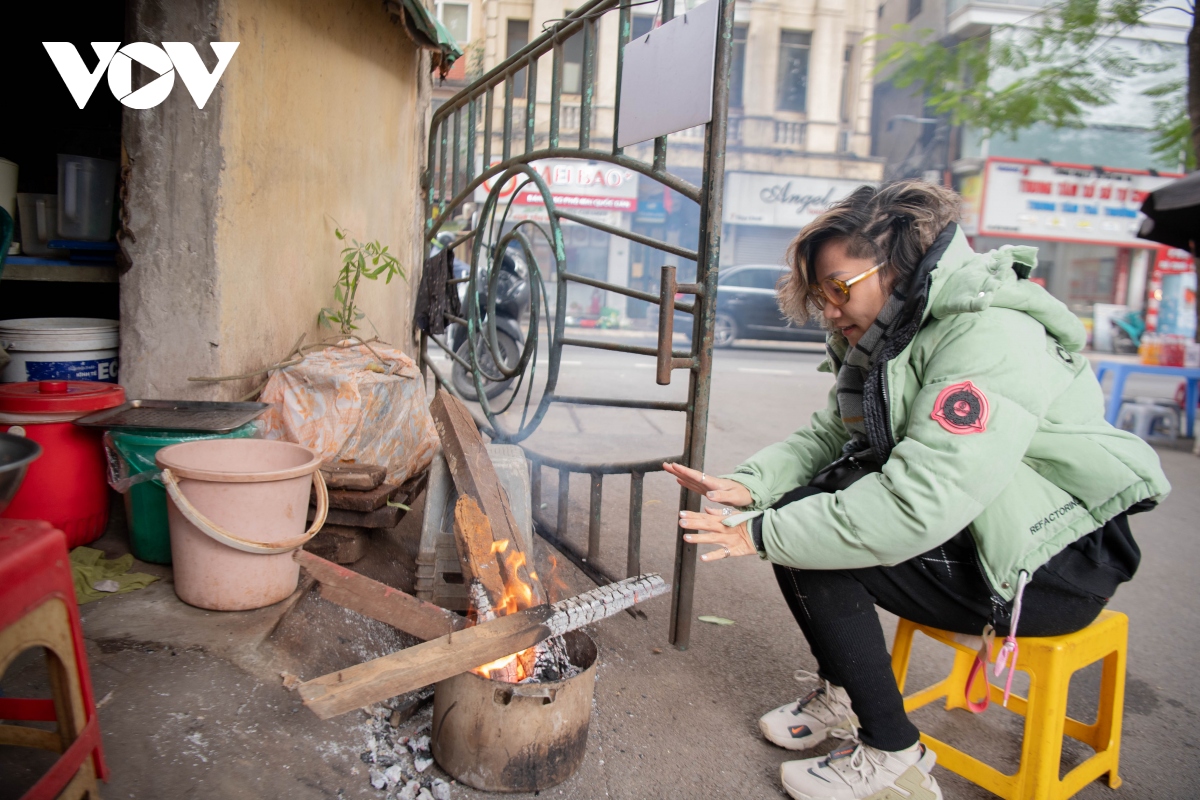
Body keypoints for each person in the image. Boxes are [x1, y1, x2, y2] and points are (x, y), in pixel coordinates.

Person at [663, 180, 1169, 800]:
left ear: (898, 265)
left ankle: (893, 758)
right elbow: (830, 434)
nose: (828, 309)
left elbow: (917, 505)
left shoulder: (989, 336)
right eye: (820, 293)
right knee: (807, 509)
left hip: (1052, 563)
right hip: (986, 526)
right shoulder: (893, 333)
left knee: (811, 535)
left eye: (838, 288)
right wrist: (749, 486)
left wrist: (763, 532)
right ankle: (846, 692)